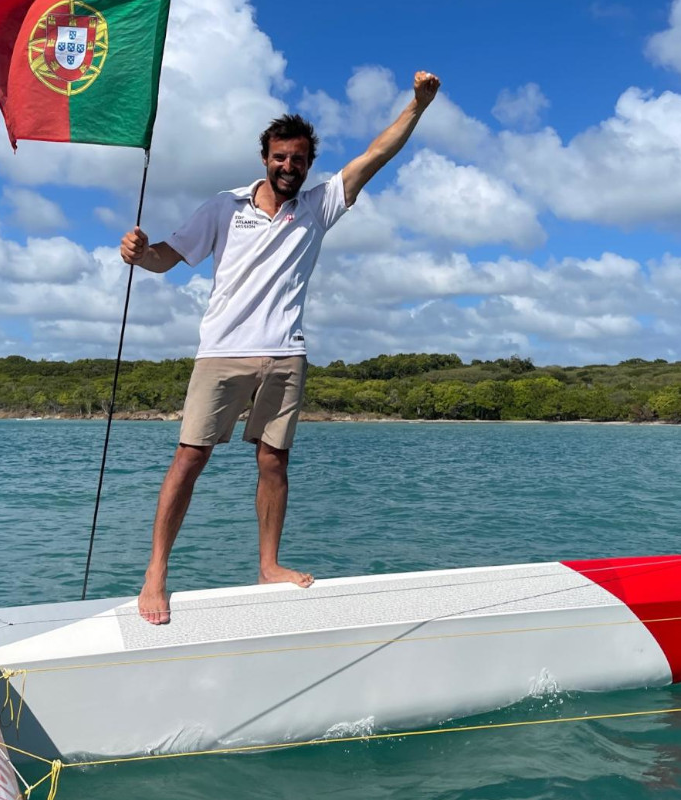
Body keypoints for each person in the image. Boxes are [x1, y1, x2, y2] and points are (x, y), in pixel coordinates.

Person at [120, 70, 442, 624]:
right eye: (279, 157)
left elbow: (375, 155)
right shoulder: (224, 207)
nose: (288, 166)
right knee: (190, 457)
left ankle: (268, 565)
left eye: (298, 159)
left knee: (273, 461)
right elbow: (169, 256)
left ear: (308, 164)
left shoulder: (318, 207)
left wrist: (419, 105)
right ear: (264, 157)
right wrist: (139, 252)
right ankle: (155, 574)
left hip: (286, 353)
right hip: (222, 351)